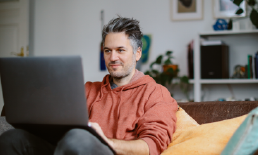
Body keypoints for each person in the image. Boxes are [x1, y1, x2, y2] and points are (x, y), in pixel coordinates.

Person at [0, 17, 178, 155]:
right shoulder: (86, 89)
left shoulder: (156, 93)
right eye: (107, 51)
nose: (113, 57)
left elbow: (151, 146)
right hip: (68, 149)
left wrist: (104, 141)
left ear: (137, 53)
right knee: (13, 139)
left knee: (77, 138)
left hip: (104, 150)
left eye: (121, 50)